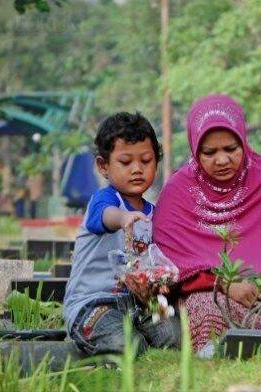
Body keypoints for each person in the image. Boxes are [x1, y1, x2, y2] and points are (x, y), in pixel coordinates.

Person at [153, 95, 261, 357]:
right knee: (204, 308)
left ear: (243, 141)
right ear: (196, 149)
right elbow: (170, 265)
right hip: (213, 295)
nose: (222, 160)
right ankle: (215, 359)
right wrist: (227, 285)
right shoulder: (178, 192)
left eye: (231, 149)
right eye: (209, 152)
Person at [63, 112, 180, 356]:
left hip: (142, 304)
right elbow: (105, 216)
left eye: (146, 160)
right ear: (103, 166)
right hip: (94, 304)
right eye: (126, 162)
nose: (137, 169)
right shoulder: (104, 201)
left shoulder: (154, 213)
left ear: (156, 162)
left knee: (175, 336)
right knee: (128, 344)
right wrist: (124, 217)